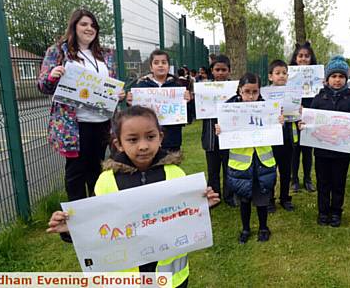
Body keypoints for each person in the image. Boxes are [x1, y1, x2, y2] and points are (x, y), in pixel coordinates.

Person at [47, 106, 220, 288]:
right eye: (132, 139)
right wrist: (72, 228)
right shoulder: (106, 181)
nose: (143, 146)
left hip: (172, 279)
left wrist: (201, 206)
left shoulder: (176, 175)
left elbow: (186, 220)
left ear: (160, 138)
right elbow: (97, 225)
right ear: (119, 144)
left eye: (150, 137)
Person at [37, 9, 124, 242]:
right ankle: (72, 227)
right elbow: (43, 85)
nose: (89, 28)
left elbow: (110, 86)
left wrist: (119, 94)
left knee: (97, 171)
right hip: (74, 125)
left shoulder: (105, 55)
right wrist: (53, 75)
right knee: (75, 173)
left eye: (93, 25)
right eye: (84, 24)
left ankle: (96, 222)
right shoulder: (58, 51)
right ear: (74, 26)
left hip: (102, 123)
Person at [215, 73, 282, 243]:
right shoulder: (229, 110)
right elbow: (224, 133)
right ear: (239, 91)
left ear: (259, 91)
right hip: (241, 165)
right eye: (247, 92)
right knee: (244, 199)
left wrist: (279, 122)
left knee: (262, 198)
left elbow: (275, 130)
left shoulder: (267, 109)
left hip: (263, 162)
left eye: (254, 92)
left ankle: (263, 227)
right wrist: (220, 131)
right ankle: (245, 229)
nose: (251, 96)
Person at [300, 56, 350, 227]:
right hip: (321, 151)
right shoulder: (319, 99)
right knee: (323, 181)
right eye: (333, 76)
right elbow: (310, 121)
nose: (337, 80)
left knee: (339, 182)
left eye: (341, 76)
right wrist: (304, 124)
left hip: (342, 152)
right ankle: (323, 212)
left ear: (346, 79)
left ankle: (336, 212)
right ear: (327, 79)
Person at [127, 49, 192, 153]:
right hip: (147, 139)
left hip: (172, 139)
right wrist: (130, 104)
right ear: (151, 67)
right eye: (156, 63)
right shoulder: (141, 86)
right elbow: (134, 115)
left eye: (164, 62)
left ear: (168, 66)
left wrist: (187, 102)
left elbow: (187, 117)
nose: (160, 65)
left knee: (171, 167)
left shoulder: (177, 86)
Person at [201, 55, 236, 207]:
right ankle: (214, 196)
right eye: (217, 69)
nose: (220, 73)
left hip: (229, 135)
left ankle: (230, 196)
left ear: (229, 71)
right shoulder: (204, 89)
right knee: (213, 169)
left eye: (224, 70)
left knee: (229, 167)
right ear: (212, 71)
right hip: (210, 136)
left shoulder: (235, 90)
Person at [265, 59, 297, 213]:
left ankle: (285, 198)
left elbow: (297, 115)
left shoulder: (293, 93)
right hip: (270, 140)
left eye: (284, 73)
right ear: (270, 76)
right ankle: (269, 199)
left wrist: (300, 112)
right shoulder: (264, 94)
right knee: (270, 171)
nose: (281, 76)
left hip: (288, 138)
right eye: (277, 73)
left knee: (286, 171)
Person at [288, 42, 317, 193]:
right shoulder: (288, 75)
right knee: (294, 150)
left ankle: (307, 179)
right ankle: (294, 180)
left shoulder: (317, 77)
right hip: (293, 118)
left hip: (309, 118)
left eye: (307, 56)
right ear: (295, 58)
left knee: (307, 150)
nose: (303, 59)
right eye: (300, 56)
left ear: (311, 58)